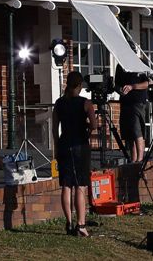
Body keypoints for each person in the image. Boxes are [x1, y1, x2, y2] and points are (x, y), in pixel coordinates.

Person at [53, 70, 95, 237]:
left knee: (66, 185)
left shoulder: (59, 103)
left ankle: (69, 222)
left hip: (64, 144)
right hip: (80, 145)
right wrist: (87, 129)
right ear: (79, 85)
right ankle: (81, 224)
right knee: (80, 186)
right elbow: (94, 125)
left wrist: (57, 146)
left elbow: (54, 129)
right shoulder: (86, 103)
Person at [114, 63, 151, 163]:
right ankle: (133, 160)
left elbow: (147, 83)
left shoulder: (140, 62)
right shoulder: (120, 65)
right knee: (129, 134)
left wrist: (133, 86)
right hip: (125, 102)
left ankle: (140, 160)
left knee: (137, 131)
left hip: (137, 102)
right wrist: (119, 90)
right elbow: (116, 84)